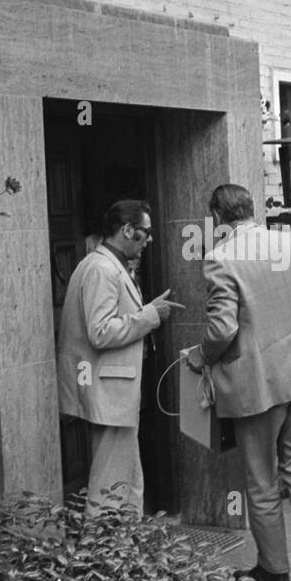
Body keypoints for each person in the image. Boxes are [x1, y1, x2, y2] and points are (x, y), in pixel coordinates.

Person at [186, 184, 291, 581]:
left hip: (258, 385)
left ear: (218, 217)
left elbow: (222, 330)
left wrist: (201, 357)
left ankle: (274, 570)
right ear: (251, 209)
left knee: (261, 480)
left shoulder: (221, 258)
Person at [57, 199, 183, 514]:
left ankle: (126, 553)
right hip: (109, 391)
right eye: (145, 232)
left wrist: (145, 311)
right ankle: (99, 557)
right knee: (110, 485)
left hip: (113, 390)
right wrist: (150, 316)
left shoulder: (103, 264)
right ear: (127, 229)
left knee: (128, 479)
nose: (150, 239)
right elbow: (100, 331)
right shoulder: (102, 267)